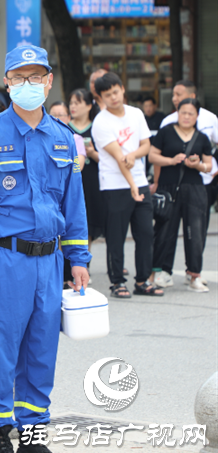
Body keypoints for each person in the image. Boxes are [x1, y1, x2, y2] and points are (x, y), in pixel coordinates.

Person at [0, 45, 90, 453]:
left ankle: (33, 439)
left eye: (36, 77)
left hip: (50, 261)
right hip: (5, 260)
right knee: (0, 347)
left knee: (40, 349)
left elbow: (74, 206)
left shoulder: (64, 139)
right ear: (8, 83)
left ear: (49, 82)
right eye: (19, 77)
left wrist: (79, 260)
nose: (28, 84)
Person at [91, 72, 161, 299]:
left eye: (115, 92)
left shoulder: (135, 113)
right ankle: (117, 283)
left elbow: (146, 145)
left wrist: (133, 157)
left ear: (122, 89)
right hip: (115, 185)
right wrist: (131, 182)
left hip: (139, 182)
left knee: (145, 233)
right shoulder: (101, 122)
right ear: (100, 97)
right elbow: (118, 157)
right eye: (107, 95)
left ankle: (142, 280)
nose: (113, 97)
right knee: (116, 236)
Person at [149, 98, 213, 292]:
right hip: (169, 187)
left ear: (197, 116)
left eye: (191, 113)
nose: (186, 116)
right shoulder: (166, 132)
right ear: (177, 112)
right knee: (165, 230)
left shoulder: (202, 138)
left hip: (194, 188)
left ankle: (194, 274)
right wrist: (171, 160)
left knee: (195, 232)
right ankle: (161, 271)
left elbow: (209, 166)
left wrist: (198, 165)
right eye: (183, 112)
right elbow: (152, 156)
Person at [156, 80, 218, 238]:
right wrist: (157, 182)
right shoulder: (168, 121)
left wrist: (214, 169)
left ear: (192, 96)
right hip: (173, 182)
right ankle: (164, 263)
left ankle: (195, 262)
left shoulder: (210, 118)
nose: (174, 98)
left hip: (205, 181)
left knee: (198, 230)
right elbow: (156, 154)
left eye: (178, 94)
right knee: (168, 228)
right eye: (173, 95)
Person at [68, 88, 105, 244]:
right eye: (71, 103)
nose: (72, 107)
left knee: (88, 222)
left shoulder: (98, 127)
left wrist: (91, 153)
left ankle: (84, 263)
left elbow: (107, 160)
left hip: (92, 182)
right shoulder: (65, 128)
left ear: (89, 105)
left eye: (77, 103)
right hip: (70, 181)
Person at [48, 101, 86, 170]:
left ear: (69, 118)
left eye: (61, 115)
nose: (57, 118)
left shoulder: (76, 139)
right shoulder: (44, 137)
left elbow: (78, 166)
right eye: (53, 115)